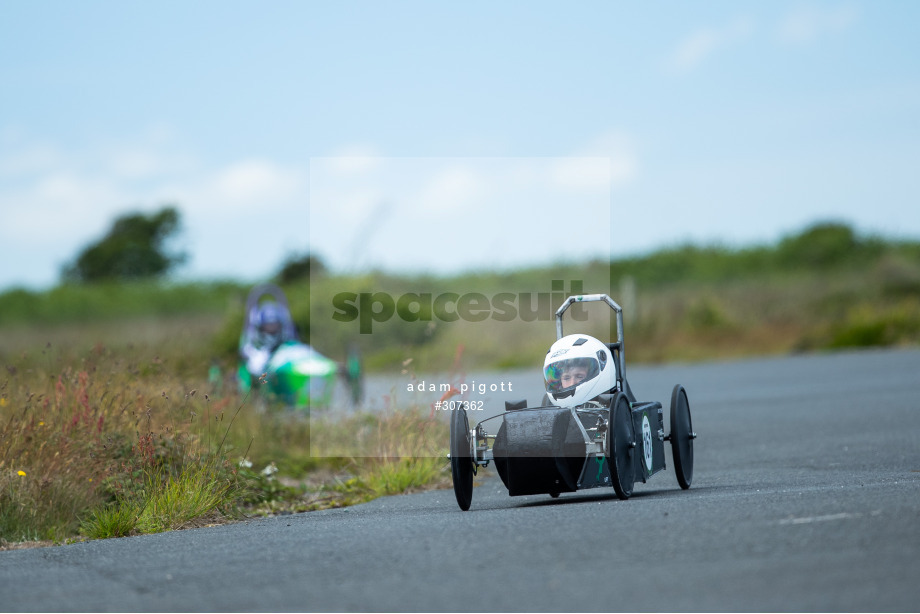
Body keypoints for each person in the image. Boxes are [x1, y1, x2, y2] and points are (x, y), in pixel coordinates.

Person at [543, 334, 617, 407]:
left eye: (579, 376)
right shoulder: (550, 405)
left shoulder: (615, 406)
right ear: (560, 381)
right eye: (566, 378)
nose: (572, 383)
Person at [240, 301, 295, 381]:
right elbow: (255, 370)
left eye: (274, 327)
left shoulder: (289, 349)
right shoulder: (254, 354)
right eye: (268, 327)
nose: (271, 331)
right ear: (260, 329)